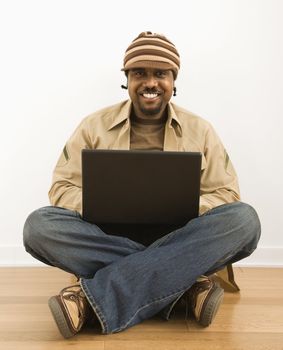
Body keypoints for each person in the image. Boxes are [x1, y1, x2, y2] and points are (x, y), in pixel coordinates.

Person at [23, 31, 261, 339]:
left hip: (181, 233)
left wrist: (188, 207)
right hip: (107, 233)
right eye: (139, 73)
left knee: (244, 220)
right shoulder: (92, 126)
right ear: (127, 79)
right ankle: (184, 285)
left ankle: (90, 298)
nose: (150, 83)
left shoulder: (200, 130)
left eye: (160, 74)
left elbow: (227, 194)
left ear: (174, 81)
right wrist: (98, 203)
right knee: (39, 227)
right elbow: (63, 186)